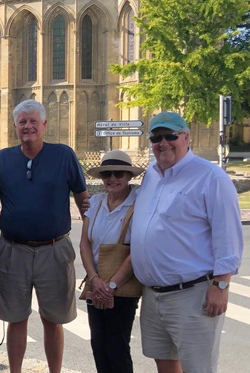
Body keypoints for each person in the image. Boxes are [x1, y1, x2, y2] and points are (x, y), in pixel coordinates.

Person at [132, 112, 243, 373]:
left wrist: (221, 285)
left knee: (198, 368)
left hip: (193, 294)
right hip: (153, 294)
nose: (163, 142)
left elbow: (228, 236)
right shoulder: (151, 175)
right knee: (165, 363)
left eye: (171, 136)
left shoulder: (210, 177)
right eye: (156, 137)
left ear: (186, 138)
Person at [0, 100, 90, 373]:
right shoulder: (3, 159)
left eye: (33, 121)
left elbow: (83, 200)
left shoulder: (64, 156)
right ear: (15, 127)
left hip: (54, 250)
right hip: (12, 250)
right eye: (22, 122)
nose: (27, 126)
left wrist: (89, 240)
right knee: (16, 319)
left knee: (52, 320)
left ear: (44, 125)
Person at [80, 150, 144, 373]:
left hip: (123, 285)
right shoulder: (96, 202)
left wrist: (112, 285)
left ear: (128, 176)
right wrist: (95, 279)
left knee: (117, 346)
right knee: (99, 344)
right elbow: (84, 244)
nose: (112, 178)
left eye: (118, 173)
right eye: (107, 174)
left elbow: (137, 250)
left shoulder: (139, 204)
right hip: (97, 282)